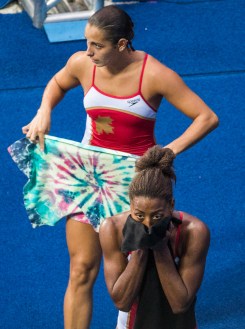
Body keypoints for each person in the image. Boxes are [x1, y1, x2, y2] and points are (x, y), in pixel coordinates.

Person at [20, 5, 218, 329]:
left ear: (122, 44)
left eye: (97, 46)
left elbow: (207, 117)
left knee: (135, 271)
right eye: (87, 42)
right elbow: (57, 84)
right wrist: (44, 110)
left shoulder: (154, 74)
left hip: (135, 185)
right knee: (81, 268)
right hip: (90, 179)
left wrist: (166, 152)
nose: (88, 52)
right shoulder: (82, 64)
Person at [99, 145, 210, 329]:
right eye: (139, 215)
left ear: (171, 205)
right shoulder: (111, 228)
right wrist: (141, 248)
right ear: (130, 204)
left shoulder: (194, 232)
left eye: (157, 216)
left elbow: (180, 303)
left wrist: (160, 248)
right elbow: (121, 302)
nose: (148, 224)